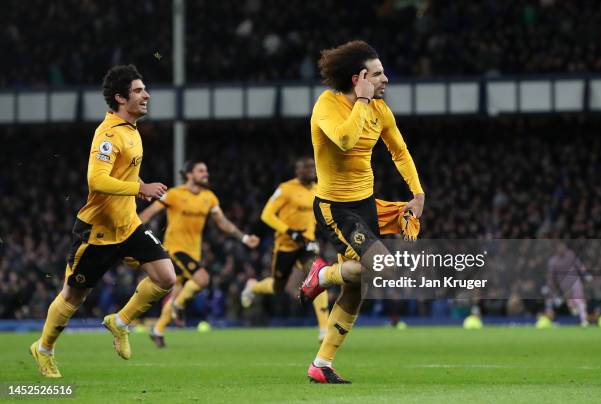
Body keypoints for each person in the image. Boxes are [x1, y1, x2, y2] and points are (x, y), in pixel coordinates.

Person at [30, 65, 176, 378]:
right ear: (120, 98)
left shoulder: (132, 131)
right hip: (97, 233)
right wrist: (140, 188)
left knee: (166, 277)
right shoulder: (108, 135)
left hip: (128, 225)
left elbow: (121, 176)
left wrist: (137, 191)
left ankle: (120, 322)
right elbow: (96, 181)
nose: (146, 95)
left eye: (144, 89)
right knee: (74, 296)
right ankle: (43, 349)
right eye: (138, 91)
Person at [299, 40, 425, 383]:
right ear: (360, 77)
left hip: (365, 204)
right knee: (383, 266)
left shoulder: (380, 110)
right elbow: (343, 140)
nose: (386, 79)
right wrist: (364, 101)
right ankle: (321, 277)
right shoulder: (327, 104)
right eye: (379, 74)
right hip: (335, 207)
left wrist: (417, 192)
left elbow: (399, 151)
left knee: (357, 282)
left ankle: (321, 364)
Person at [139, 160, 259, 347]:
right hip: (174, 250)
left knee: (178, 291)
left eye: (206, 170)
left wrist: (244, 238)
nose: (206, 174)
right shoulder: (174, 194)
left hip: (193, 253)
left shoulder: (209, 197)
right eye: (201, 171)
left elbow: (223, 222)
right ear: (189, 174)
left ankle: (158, 329)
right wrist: (132, 233)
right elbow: (149, 212)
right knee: (202, 279)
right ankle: (178, 307)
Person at [241, 157, 329, 342]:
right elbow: (267, 215)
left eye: (313, 166)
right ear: (297, 171)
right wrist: (290, 232)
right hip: (285, 246)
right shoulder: (285, 189)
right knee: (277, 286)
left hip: (307, 244)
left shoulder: (318, 189)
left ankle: (324, 329)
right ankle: (253, 287)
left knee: (318, 275)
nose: (311, 170)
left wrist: (313, 235)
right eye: (306, 167)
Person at [545, 242, 590, 326]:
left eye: (563, 248)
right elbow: (551, 277)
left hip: (575, 281)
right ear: (556, 250)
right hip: (564, 286)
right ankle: (576, 312)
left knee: (580, 300)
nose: (562, 250)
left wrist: (585, 274)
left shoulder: (570, 254)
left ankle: (584, 320)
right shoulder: (552, 261)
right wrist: (551, 288)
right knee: (572, 306)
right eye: (560, 248)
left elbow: (578, 264)